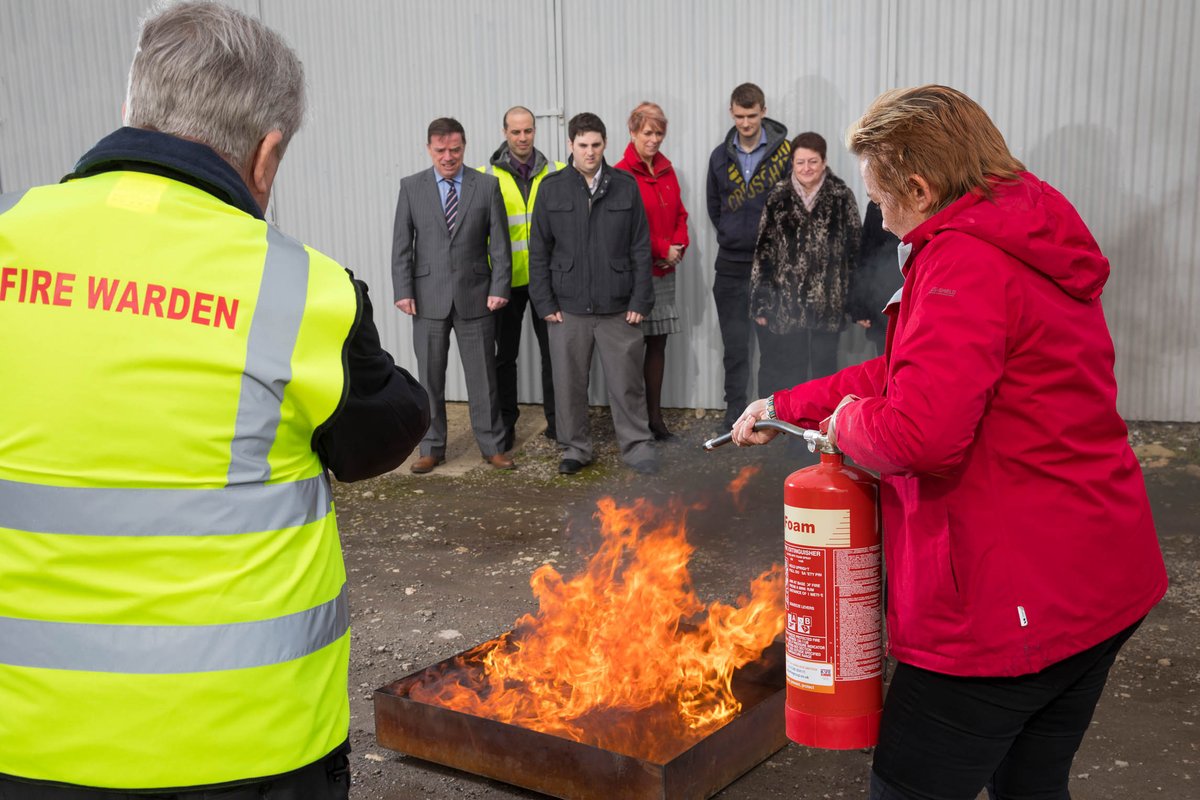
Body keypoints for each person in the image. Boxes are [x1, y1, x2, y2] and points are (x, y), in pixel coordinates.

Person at [0, 2, 430, 796]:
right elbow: (388, 430)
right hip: (244, 752)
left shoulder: (9, 244)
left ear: (129, 110)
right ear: (266, 156)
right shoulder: (301, 291)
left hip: (23, 744)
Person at [732, 85, 1167, 799]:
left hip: (1009, 608)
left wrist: (842, 427)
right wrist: (788, 403)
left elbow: (916, 432)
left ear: (922, 187)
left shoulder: (964, 260)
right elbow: (907, 367)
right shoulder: (1016, 228)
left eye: (880, 196)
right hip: (1099, 577)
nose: (877, 212)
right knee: (1030, 783)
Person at [528, 112, 657, 476]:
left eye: (596, 145)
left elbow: (640, 247)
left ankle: (637, 446)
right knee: (568, 385)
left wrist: (640, 300)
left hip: (619, 308)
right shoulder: (551, 188)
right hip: (567, 309)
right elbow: (539, 250)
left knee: (627, 383)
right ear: (570, 145)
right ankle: (575, 447)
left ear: (604, 144)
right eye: (582, 145)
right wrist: (544, 302)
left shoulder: (625, 186)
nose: (590, 152)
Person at [392, 117, 514, 473]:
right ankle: (431, 447)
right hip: (427, 298)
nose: (448, 157)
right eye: (441, 150)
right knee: (429, 377)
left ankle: (492, 446)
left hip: (477, 296)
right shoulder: (411, 187)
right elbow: (402, 245)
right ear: (429, 149)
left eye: (455, 150)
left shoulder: (486, 186)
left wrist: (499, 287)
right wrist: (403, 290)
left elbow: (501, 245)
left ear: (465, 147)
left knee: (484, 377)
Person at [706, 82, 792, 430]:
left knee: (772, 347)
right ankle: (734, 413)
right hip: (728, 266)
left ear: (764, 111)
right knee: (734, 347)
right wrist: (731, 233)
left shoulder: (785, 154)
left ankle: (768, 417)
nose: (745, 123)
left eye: (751, 115)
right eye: (739, 116)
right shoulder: (719, 156)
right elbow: (714, 206)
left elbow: (791, 205)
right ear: (731, 113)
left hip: (769, 269)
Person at [478, 106, 564, 449]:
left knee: (553, 355)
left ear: (535, 131)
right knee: (503, 357)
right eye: (516, 132)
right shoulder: (487, 177)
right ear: (505, 133)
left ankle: (559, 425)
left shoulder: (556, 172)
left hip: (547, 280)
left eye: (528, 130)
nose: (523, 137)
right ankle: (506, 425)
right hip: (505, 282)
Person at [749, 131, 860, 395]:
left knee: (825, 370)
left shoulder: (841, 195)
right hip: (786, 303)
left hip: (828, 302)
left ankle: (824, 431)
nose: (806, 168)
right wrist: (762, 301)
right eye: (800, 162)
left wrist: (857, 302)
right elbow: (764, 251)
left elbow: (855, 250)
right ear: (792, 163)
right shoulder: (778, 196)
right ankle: (794, 434)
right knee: (790, 370)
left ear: (823, 162)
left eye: (812, 161)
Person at [615, 101, 689, 441]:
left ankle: (655, 419)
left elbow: (680, 214)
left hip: (664, 272)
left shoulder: (667, 169)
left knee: (658, 346)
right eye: (648, 132)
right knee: (632, 349)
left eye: (659, 133)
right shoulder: (622, 174)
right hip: (636, 275)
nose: (654, 139)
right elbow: (630, 226)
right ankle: (634, 424)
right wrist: (662, 248)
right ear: (632, 132)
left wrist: (679, 246)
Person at [847, 200, 902, 356]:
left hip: (919, 302)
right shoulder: (877, 204)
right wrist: (860, 306)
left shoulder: (932, 199)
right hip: (883, 302)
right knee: (885, 362)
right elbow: (866, 254)